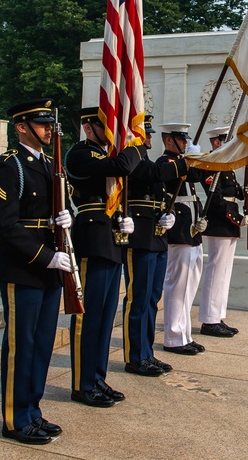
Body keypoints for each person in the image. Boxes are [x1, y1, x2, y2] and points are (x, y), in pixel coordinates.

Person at [0, 98, 71, 445]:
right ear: (22, 127)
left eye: (50, 123)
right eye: (41, 123)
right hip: (24, 266)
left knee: (43, 344)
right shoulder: (9, 165)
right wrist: (43, 256)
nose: (49, 129)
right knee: (23, 345)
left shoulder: (50, 164)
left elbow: (63, 207)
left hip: (50, 265)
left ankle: (33, 410)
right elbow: (2, 225)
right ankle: (15, 419)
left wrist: (68, 219)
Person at [65, 106, 144, 405]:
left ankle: (98, 378)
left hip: (111, 236)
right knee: (89, 316)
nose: (111, 132)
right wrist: (133, 141)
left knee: (105, 316)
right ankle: (82, 384)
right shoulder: (80, 154)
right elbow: (122, 166)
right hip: (92, 236)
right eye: (105, 126)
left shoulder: (108, 155)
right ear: (88, 128)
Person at [122, 115, 187, 367]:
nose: (149, 137)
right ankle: (135, 357)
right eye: (145, 133)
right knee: (138, 299)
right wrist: (185, 161)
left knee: (151, 298)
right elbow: (157, 173)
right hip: (139, 237)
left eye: (149, 133)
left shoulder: (145, 159)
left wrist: (164, 215)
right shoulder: (133, 160)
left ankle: (146, 353)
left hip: (156, 236)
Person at [196, 126, 248, 340]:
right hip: (221, 222)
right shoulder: (213, 163)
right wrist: (237, 219)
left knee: (225, 272)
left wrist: (243, 191)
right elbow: (217, 200)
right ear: (217, 142)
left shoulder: (226, 164)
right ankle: (209, 320)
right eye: (225, 141)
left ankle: (217, 316)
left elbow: (231, 190)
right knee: (216, 270)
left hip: (229, 223)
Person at [158, 123, 206, 355]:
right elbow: (180, 173)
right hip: (179, 231)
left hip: (191, 232)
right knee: (178, 286)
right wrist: (191, 159)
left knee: (189, 287)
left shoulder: (182, 162)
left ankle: (184, 333)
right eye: (181, 140)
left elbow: (199, 175)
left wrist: (199, 157)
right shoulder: (165, 163)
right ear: (169, 141)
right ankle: (174, 337)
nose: (185, 143)